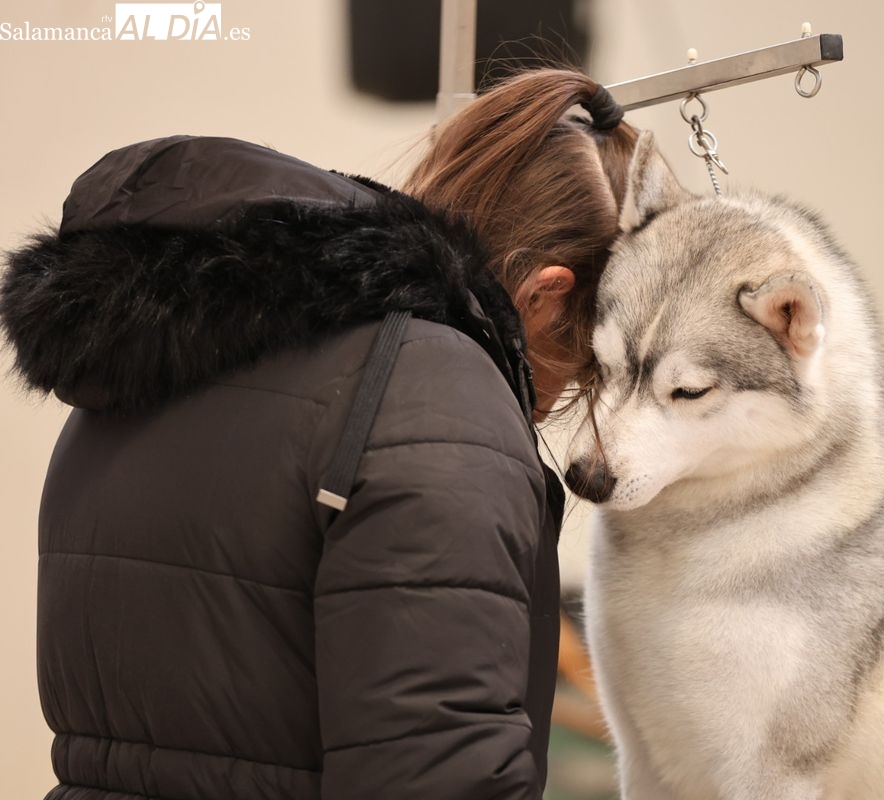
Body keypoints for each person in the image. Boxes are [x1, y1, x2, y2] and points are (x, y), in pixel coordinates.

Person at [0, 69, 638, 799]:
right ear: (547, 294)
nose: (558, 397)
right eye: (584, 364)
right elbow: (435, 777)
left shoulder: (165, 354)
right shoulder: (439, 397)